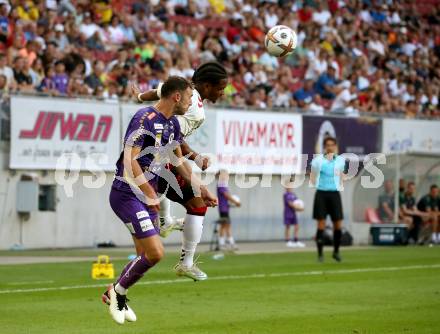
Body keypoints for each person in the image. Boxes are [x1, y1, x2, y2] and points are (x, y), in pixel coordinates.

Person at [102, 76, 216, 324]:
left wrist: (201, 189)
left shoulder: (173, 124)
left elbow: (179, 162)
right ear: (177, 97)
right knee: (156, 254)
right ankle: (117, 293)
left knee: (143, 257)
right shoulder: (143, 118)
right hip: (127, 193)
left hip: (146, 195)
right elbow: (129, 161)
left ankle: (115, 293)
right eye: (188, 97)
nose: (190, 103)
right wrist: (150, 193)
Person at [132, 61, 228, 279]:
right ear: (206, 85)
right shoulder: (193, 106)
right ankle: (186, 262)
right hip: (162, 157)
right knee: (198, 203)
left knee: (182, 196)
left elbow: (155, 93)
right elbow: (173, 139)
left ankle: (165, 220)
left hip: (151, 154)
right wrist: (194, 158)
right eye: (220, 88)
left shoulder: (180, 87)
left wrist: (138, 97)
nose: (222, 93)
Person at [310, 137, 347, 262]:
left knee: (338, 224)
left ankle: (336, 252)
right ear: (325, 147)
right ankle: (320, 255)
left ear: (335, 146)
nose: (330, 147)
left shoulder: (341, 161)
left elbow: (342, 175)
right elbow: (313, 176)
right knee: (321, 224)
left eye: (332, 145)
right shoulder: (318, 161)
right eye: (327, 145)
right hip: (321, 194)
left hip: (334, 194)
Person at [216, 169, 241, 250]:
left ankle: (224, 244)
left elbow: (226, 197)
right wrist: (236, 202)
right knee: (225, 226)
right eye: (225, 174)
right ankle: (228, 244)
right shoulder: (221, 185)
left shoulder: (223, 185)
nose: (226, 176)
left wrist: (232, 203)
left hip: (225, 208)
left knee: (225, 226)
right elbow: (227, 196)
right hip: (223, 209)